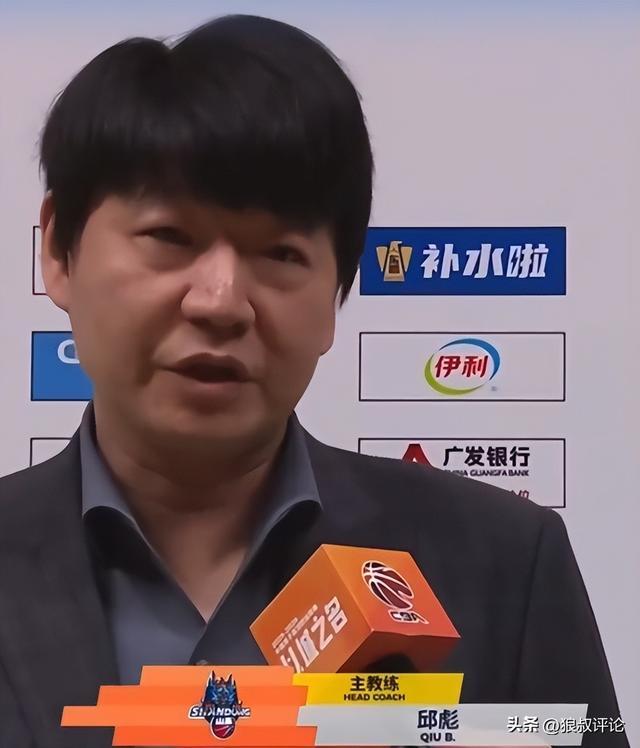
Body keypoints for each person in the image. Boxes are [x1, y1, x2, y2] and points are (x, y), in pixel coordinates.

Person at [0, 14, 628, 748]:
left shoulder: (506, 566)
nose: (221, 301)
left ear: (336, 295)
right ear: (59, 251)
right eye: (170, 237)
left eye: (281, 254)